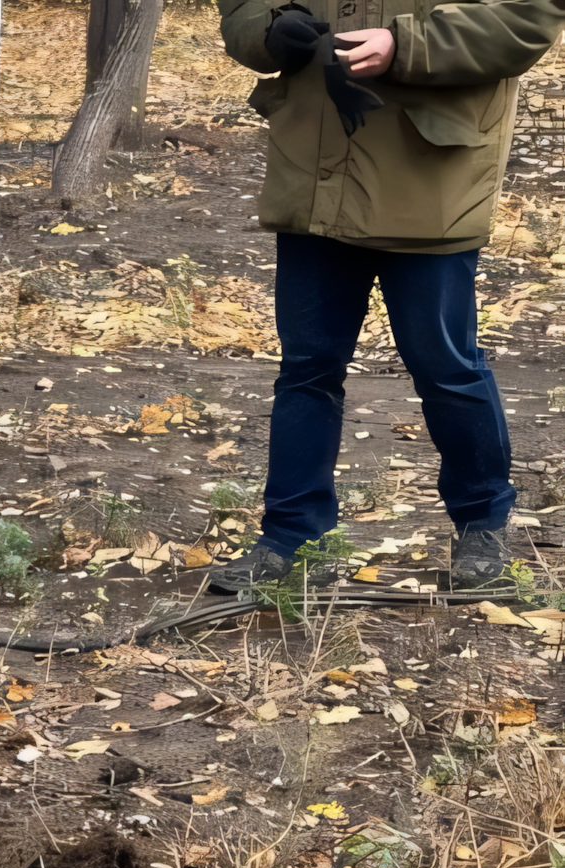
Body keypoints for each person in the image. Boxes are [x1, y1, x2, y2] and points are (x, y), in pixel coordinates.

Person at [210, 0, 565, 592]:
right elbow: (242, 8)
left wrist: (408, 45)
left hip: (433, 183)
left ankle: (483, 525)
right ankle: (294, 541)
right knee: (306, 368)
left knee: (445, 365)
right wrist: (268, 30)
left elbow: (527, 18)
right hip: (316, 172)